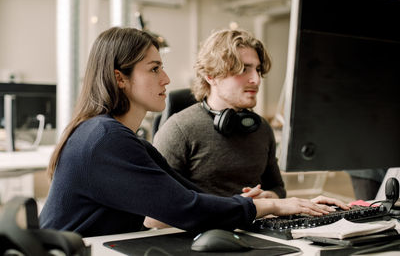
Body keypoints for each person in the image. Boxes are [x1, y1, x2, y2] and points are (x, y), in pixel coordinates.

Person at [39, 27, 348, 237]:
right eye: (154, 68)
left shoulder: (118, 137)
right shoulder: (105, 139)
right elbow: (183, 208)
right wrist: (274, 205)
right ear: (120, 78)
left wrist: (290, 205)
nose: (167, 79)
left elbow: (192, 194)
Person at [153, 29, 284, 199]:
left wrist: (270, 197)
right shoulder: (178, 130)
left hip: (257, 224)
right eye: (244, 69)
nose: (256, 80)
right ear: (211, 75)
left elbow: (277, 187)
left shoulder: (262, 128)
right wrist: (236, 209)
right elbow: (159, 209)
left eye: (257, 70)